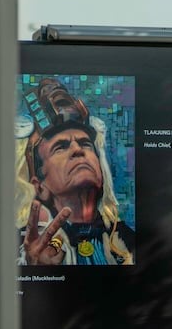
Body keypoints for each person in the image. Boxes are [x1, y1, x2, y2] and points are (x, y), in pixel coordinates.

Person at [17, 77, 134, 265]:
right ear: (40, 187)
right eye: (60, 147)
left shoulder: (131, 242)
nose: (78, 150)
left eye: (85, 144)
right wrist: (36, 270)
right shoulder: (23, 247)